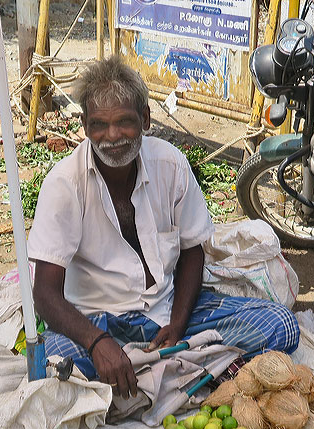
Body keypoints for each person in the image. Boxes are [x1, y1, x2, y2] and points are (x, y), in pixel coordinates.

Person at [27, 57, 299, 398]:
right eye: (99, 125)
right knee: (50, 365)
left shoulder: (170, 164)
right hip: (98, 322)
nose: (111, 137)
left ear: (145, 118)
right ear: (84, 125)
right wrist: (97, 343)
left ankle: (164, 367)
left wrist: (178, 324)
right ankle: (191, 368)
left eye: (124, 122)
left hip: (166, 313)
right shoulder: (64, 184)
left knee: (281, 326)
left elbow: (191, 253)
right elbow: (45, 293)